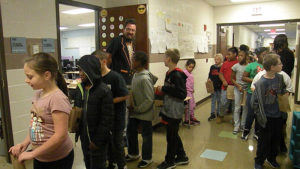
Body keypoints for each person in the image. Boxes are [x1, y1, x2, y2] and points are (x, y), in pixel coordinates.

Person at [9, 52, 74, 169]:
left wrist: (33, 153)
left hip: (57, 159)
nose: (26, 80)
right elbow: (35, 125)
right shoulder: (38, 94)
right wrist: (25, 143)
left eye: (30, 77)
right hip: (41, 156)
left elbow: (60, 135)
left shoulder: (57, 98)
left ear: (47, 75)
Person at [74, 55, 114, 169]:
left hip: (97, 141)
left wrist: (97, 141)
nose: (80, 73)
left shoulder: (103, 90)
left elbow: (107, 119)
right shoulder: (80, 89)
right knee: (88, 164)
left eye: (83, 70)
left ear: (91, 70)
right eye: (79, 70)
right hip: (84, 138)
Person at [92, 50, 129, 169]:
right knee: (105, 143)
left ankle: (121, 165)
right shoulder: (95, 78)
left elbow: (125, 95)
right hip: (103, 119)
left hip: (116, 118)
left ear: (104, 62)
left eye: (95, 61)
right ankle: (111, 163)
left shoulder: (115, 77)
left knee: (117, 143)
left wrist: (108, 102)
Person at [252, 54, 287, 169]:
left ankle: (271, 158)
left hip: (278, 115)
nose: (282, 65)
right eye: (279, 63)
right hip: (266, 117)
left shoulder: (280, 78)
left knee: (275, 140)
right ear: (272, 67)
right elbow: (254, 103)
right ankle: (259, 161)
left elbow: (282, 91)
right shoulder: (261, 83)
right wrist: (260, 116)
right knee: (263, 141)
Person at [156, 49, 188, 169]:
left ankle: (170, 161)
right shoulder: (169, 73)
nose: (164, 59)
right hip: (169, 108)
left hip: (175, 111)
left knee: (171, 136)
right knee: (173, 135)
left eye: (164, 57)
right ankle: (182, 156)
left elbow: (182, 94)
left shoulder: (177, 74)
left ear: (169, 59)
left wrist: (164, 89)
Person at [126, 51, 157, 168]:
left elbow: (149, 99)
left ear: (139, 62)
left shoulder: (145, 78)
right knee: (130, 131)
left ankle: (147, 158)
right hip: (135, 112)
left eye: (133, 59)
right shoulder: (135, 74)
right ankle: (133, 153)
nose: (131, 62)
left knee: (146, 136)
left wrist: (138, 109)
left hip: (144, 112)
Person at [241, 47, 267, 140]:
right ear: (258, 55)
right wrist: (255, 81)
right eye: (263, 55)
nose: (265, 56)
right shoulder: (251, 65)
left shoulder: (269, 66)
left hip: (264, 94)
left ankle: (257, 132)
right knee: (251, 113)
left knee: (259, 113)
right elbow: (243, 77)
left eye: (266, 55)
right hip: (251, 93)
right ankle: (246, 131)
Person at [106, 18, 137, 85]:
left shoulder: (132, 43)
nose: (130, 32)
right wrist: (107, 75)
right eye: (128, 29)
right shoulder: (116, 41)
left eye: (133, 30)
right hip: (118, 78)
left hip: (129, 78)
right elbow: (108, 58)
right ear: (124, 30)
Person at [217, 47, 239, 123]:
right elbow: (220, 73)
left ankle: (234, 119)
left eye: (229, 54)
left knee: (234, 104)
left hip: (235, 87)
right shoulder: (225, 63)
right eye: (227, 54)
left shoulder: (238, 63)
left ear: (235, 54)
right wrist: (223, 81)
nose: (227, 56)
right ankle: (220, 115)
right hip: (225, 87)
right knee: (223, 102)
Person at [231, 50, 248, 134]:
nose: (239, 57)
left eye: (241, 55)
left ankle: (243, 125)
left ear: (246, 57)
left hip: (246, 90)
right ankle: (236, 125)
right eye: (238, 55)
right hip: (238, 89)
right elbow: (232, 79)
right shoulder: (235, 66)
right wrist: (238, 86)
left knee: (245, 107)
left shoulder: (249, 66)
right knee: (237, 107)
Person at [183, 59, 200, 125]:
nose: (191, 69)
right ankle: (187, 119)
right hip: (187, 92)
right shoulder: (184, 73)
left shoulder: (190, 74)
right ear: (186, 66)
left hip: (190, 92)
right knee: (188, 106)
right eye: (189, 67)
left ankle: (192, 117)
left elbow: (191, 83)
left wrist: (192, 89)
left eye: (192, 67)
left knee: (192, 105)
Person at [208, 53, 223, 121]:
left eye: (217, 59)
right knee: (213, 100)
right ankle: (212, 113)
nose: (216, 60)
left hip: (220, 87)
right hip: (213, 87)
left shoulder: (222, 67)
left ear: (221, 60)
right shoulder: (212, 67)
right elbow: (210, 75)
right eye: (215, 59)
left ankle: (219, 112)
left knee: (219, 100)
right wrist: (209, 79)